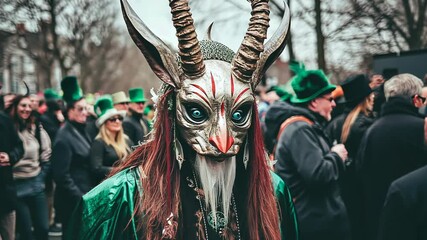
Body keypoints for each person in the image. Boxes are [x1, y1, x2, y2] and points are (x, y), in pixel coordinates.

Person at [66, 0, 298, 239]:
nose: (223, 142)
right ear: (172, 111)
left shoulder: (273, 192)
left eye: (238, 114)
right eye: (196, 112)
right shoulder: (119, 199)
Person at [267, 62, 350, 240]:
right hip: (316, 227)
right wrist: (337, 155)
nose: (334, 104)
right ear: (314, 102)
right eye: (330, 99)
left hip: (319, 222)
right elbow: (318, 175)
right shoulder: (300, 130)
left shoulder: (306, 127)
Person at [356, 73, 427, 240]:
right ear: (416, 99)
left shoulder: (371, 131)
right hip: (417, 219)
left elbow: (360, 176)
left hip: (379, 220)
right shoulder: (421, 128)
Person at [325, 74, 375, 240]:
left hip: (341, 190)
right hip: (362, 190)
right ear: (366, 98)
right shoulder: (366, 124)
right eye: (371, 95)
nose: (374, 97)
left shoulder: (334, 123)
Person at [51, 76, 95, 233]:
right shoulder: (63, 137)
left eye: (86, 108)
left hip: (85, 197)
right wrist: (81, 198)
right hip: (72, 203)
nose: (85, 112)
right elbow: (61, 176)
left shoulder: (82, 129)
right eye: (80, 109)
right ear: (69, 111)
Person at [6, 94, 51, 240]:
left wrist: (41, 177)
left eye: (29, 106)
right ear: (15, 107)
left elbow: (46, 153)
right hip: (16, 186)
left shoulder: (36, 128)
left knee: (43, 229)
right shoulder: (7, 127)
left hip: (35, 184)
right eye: (22, 105)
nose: (26, 109)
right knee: (26, 233)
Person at [90, 96, 132, 184]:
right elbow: (96, 168)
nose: (117, 121)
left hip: (126, 185)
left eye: (119, 118)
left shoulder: (126, 140)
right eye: (112, 119)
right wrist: (120, 170)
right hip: (109, 188)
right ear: (104, 123)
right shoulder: (99, 142)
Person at [0, 110, 24, 240]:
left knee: (9, 236)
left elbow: (19, 147)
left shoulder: (4, 119)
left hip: (5, 194)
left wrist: (10, 156)